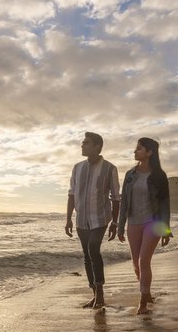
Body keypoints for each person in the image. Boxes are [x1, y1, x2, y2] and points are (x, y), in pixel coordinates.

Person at [65, 132, 120, 309]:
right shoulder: (77, 167)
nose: (82, 145)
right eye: (83, 143)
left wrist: (115, 222)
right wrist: (68, 219)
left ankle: (101, 293)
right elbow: (72, 194)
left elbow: (116, 197)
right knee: (87, 256)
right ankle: (95, 294)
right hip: (81, 219)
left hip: (101, 218)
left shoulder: (110, 168)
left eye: (86, 143)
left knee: (93, 248)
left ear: (97, 146)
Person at [117, 137, 172, 314]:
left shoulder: (159, 176)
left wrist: (166, 230)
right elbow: (124, 201)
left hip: (153, 222)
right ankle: (146, 291)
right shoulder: (130, 175)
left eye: (139, 149)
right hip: (133, 221)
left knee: (144, 260)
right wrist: (120, 225)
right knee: (135, 263)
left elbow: (165, 204)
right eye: (136, 148)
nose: (135, 151)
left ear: (149, 152)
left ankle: (143, 302)